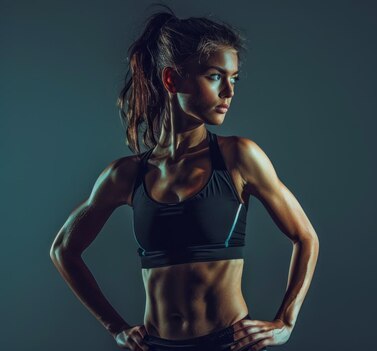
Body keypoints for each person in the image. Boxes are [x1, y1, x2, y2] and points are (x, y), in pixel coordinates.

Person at [49, 4, 319, 351]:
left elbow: (305, 237)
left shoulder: (238, 157)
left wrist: (285, 321)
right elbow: (63, 250)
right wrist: (115, 327)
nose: (229, 92)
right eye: (215, 76)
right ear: (172, 79)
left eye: (233, 78)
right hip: (157, 346)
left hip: (228, 344)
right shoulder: (126, 175)